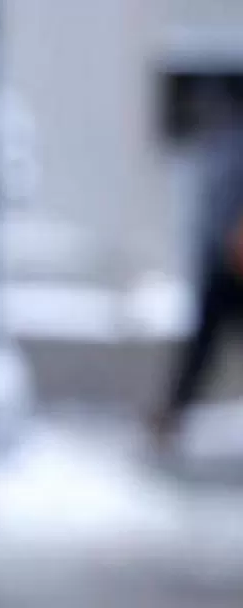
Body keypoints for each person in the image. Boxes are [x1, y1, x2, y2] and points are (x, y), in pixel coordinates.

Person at [151, 88, 243, 454]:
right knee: (203, 344)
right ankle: (173, 415)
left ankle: (173, 414)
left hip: (231, 262)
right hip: (223, 264)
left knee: (203, 344)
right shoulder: (224, 145)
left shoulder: (231, 146)